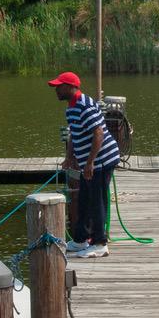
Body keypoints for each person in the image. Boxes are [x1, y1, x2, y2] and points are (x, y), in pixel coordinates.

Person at [49, 70, 121, 259]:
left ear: (71, 87)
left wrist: (89, 162)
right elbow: (74, 133)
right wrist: (69, 157)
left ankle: (99, 243)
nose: (56, 90)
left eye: (59, 86)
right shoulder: (71, 107)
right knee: (84, 199)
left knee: (97, 201)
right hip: (88, 162)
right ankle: (81, 239)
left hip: (102, 160)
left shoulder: (85, 105)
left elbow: (99, 133)